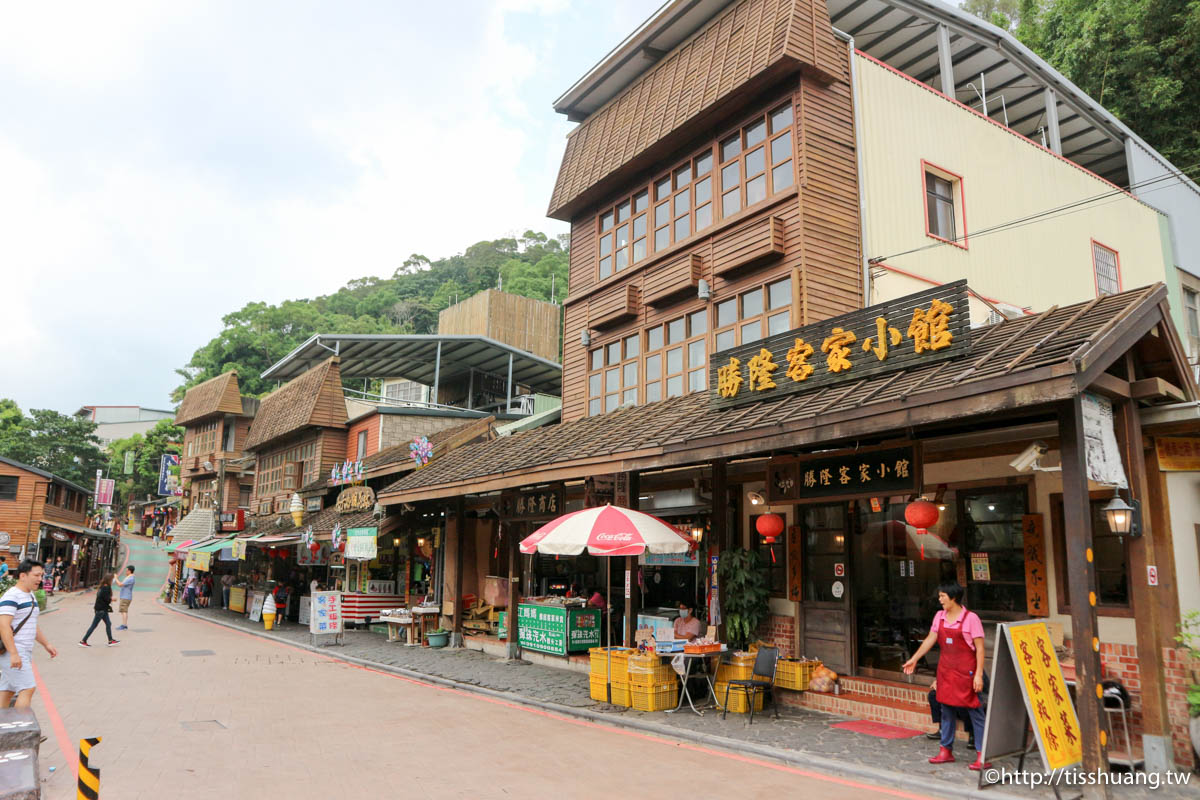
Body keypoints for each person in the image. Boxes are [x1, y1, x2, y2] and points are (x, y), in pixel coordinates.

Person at [903, 583, 990, 770]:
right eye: (940, 596)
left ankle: (982, 754)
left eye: (943, 596)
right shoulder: (939, 616)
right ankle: (945, 750)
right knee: (946, 710)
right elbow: (930, 639)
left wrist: (978, 676)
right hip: (946, 671)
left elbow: (980, 650)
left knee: (975, 711)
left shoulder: (971, 619)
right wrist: (914, 659)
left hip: (967, 672)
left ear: (954, 598)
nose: (940, 599)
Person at [0, 560, 58, 713]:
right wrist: (13, 653)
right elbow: (3, 625)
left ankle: (4, 729)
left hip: (23, 650)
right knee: (27, 688)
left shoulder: (30, 595)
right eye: (36, 575)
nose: (40, 579)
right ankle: (21, 731)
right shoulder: (12, 595)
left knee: (8, 690)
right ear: (23, 576)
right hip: (14, 650)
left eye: (41, 575)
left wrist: (46, 644)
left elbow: (32, 624)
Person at [79, 572, 119, 647]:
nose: (112, 581)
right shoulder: (106, 588)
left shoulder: (102, 586)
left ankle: (110, 640)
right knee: (94, 625)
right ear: (109, 580)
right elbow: (107, 599)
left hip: (102, 609)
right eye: (112, 579)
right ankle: (83, 640)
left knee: (108, 623)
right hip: (101, 610)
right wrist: (112, 599)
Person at [115, 565, 136, 630]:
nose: (125, 572)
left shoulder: (130, 578)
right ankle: (124, 625)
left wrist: (116, 578)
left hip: (125, 597)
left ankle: (124, 625)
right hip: (125, 596)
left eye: (126, 570)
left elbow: (120, 584)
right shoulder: (129, 577)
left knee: (124, 611)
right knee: (123, 611)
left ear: (129, 571)